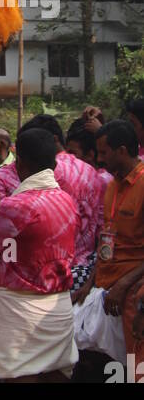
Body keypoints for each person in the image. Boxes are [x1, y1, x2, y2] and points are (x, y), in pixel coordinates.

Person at [0, 129, 78, 383]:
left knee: (17, 378)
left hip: (20, 312)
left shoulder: (15, 207)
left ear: (18, 163)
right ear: (53, 163)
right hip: (59, 308)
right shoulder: (67, 201)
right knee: (56, 377)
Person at [0, 113, 106, 288]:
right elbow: (101, 229)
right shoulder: (92, 174)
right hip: (84, 274)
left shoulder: (15, 176)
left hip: (36, 280)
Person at [73, 119, 144, 370]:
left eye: (104, 152)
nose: (100, 159)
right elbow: (107, 239)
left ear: (122, 151)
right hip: (105, 290)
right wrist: (90, 282)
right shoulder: (112, 185)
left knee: (134, 365)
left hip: (132, 294)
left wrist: (124, 284)